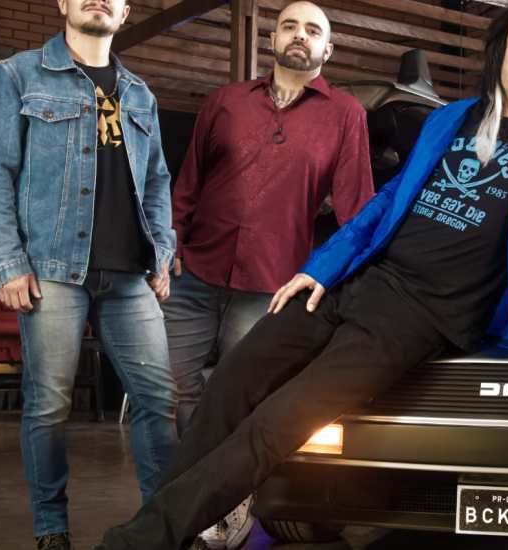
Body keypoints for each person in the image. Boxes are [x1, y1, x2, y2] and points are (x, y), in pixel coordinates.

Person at [94, 1, 508, 548]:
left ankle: (142, 540)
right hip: (357, 283)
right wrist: (320, 267)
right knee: (231, 383)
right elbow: (387, 203)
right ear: (500, 59)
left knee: (278, 424)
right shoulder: (454, 119)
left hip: (420, 316)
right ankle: (162, 531)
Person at [163, 2, 374, 546]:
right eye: (289, 26)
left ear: (328, 49)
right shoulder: (225, 101)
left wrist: (343, 277)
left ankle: (226, 506)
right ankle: (188, 499)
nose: (299, 35)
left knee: (242, 399)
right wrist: (171, 243)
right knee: (173, 391)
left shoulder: (346, 114)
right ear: (273, 39)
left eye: (313, 30)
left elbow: (356, 211)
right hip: (194, 273)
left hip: (271, 285)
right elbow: (188, 183)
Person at [0, 1, 178, 549]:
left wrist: (162, 251)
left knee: (158, 402)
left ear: (125, 11)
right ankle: (51, 529)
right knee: (49, 406)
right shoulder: (18, 76)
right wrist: (9, 263)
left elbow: (158, 181)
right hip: (53, 271)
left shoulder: (140, 93)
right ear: (62, 3)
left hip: (131, 276)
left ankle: (162, 527)